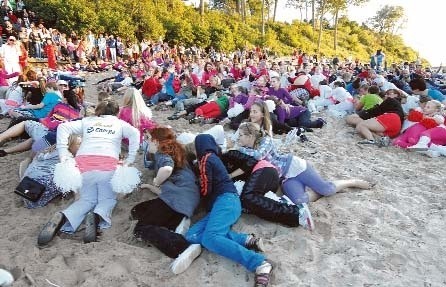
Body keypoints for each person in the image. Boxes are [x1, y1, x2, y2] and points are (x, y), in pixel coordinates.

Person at [37, 99, 140, 246]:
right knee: (107, 199)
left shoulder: (88, 121)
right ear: (116, 112)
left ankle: (63, 216)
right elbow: (135, 133)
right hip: (107, 163)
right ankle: (96, 216)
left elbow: (63, 128)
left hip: (83, 163)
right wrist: (130, 159)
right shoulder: (120, 124)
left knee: (87, 199)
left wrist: (63, 154)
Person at [185, 134, 274, 287]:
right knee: (191, 235)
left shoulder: (206, 158)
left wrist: (196, 189)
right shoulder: (214, 158)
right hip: (224, 204)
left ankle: (260, 263)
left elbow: (206, 188)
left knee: (210, 238)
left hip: (226, 201)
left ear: (200, 146)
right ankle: (246, 240)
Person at [236, 122, 371, 205]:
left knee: (327, 190)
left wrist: (238, 149)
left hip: (295, 166)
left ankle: (351, 182)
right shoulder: (248, 150)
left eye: (241, 135)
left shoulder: (265, 140)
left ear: (250, 136)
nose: (238, 138)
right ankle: (318, 190)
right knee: (298, 200)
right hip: (285, 178)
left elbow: (260, 155)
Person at [131, 127, 202, 274]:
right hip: (187, 200)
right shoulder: (178, 153)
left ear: (156, 141)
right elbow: (172, 185)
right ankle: (175, 223)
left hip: (176, 199)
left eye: (148, 139)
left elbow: (167, 169)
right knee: (138, 210)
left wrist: (156, 180)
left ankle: (184, 246)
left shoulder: (161, 152)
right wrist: (152, 187)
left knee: (141, 228)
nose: (146, 142)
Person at [0, 90, 80, 157]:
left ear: (65, 99)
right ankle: (6, 151)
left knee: (24, 122)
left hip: (47, 128)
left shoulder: (59, 105)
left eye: (62, 97)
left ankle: (2, 137)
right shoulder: (77, 112)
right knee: (34, 140)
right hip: (54, 138)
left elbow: (48, 117)